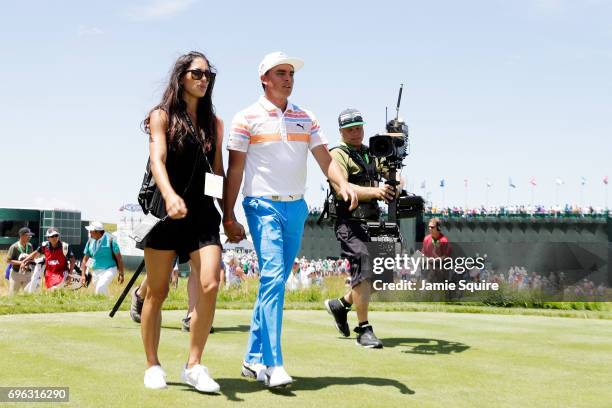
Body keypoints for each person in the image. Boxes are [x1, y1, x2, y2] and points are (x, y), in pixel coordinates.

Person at [223, 51, 357, 387]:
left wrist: (343, 184)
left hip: (296, 208)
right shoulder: (245, 118)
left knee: (275, 283)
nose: (288, 78)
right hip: (261, 205)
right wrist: (228, 215)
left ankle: (251, 359)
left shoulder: (306, 117)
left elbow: (326, 160)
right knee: (271, 277)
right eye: (280, 72)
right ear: (264, 79)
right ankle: (273, 363)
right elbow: (235, 169)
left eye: (291, 73)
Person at [136, 51, 225, 392]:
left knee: (211, 283)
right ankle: (152, 364)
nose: (203, 79)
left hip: (202, 216)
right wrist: (170, 195)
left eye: (208, 75)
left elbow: (218, 172)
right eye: (197, 73)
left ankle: (194, 364)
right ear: (181, 77)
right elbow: (157, 160)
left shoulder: (214, 123)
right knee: (156, 293)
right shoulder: (162, 116)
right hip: (167, 213)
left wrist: (228, 214)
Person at [324, 108, 398, 349]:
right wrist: (377, 192)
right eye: (350, 129)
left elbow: (389, 174)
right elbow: (342, 187)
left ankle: (342, 304)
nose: (356, 133)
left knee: (386, 275)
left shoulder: (370, 152)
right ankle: (363, 329)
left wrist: (394, 148)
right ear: (341, 131)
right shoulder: (338, 154)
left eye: (359, 128)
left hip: (375, 220)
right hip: (350, 221)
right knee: (364, 265)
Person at [81, 221, 124, 295]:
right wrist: (83, 275)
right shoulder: (89, 242)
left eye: (91, 231)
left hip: (110, 269)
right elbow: (85, 260)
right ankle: (110, 302)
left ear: (97, 232)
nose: (89, 233)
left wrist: (121, 273)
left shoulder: (111, 241)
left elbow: (119, 259)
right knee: (101, 292)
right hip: (96, 271)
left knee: (100, 287)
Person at [6, 227, 35, 295]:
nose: (30, 237)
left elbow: (31, 259)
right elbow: (8, 260)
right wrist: (21, 263)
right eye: (28, 235)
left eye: (30, 235)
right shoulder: (14, 247)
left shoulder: (30, 246)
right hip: (16, 274)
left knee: (28, 294)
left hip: (27, 273)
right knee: (13, 295)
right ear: (21, 235)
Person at [422, 217, 451, 282]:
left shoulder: (444, 240)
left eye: (432, 227)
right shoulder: (426, 239)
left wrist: (435, 260)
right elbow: (423, 253)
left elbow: (446, 257)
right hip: (429, 265)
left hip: (441, 266)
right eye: (429, 227)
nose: (430, 229)